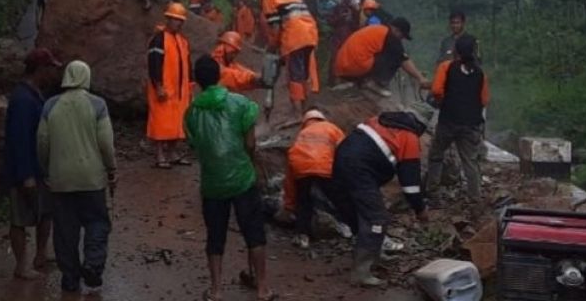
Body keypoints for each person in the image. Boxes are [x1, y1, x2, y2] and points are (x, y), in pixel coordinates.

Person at [183, 56, 275, 301]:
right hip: (242, 178)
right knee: (254, 231)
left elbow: (195, 144)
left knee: (215, 235)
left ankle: (215, 290)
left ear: (197, 82)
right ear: (219, 76)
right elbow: (250, 143)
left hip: (213, 183)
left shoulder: (191, 112)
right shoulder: (240, 103)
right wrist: (250, 162)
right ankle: (263, 288)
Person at [36, 60, 117, 294]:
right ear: (86, 77)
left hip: (60, 181)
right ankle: (92, 264)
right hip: (92, 180)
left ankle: (70, 278)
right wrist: (111, 169)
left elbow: (42, 142)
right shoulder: (97, 105)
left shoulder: (50, 106)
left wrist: (46, 170)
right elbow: (106, 143)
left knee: (65, 231)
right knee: (97, 222)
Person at [331, 111, 429, 287]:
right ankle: (361, 273)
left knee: (358, 213)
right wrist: (420, 209)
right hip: (359, 169)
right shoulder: (409, 137)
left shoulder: (379, 121)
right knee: (376, 219)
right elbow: (410, 184)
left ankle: (373, 252)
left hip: (340, 159)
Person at [3, 48, 62, 280]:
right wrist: (25, 175)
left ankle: (40, 254)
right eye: (50, 69)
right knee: (20, 218)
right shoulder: (22, 99)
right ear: (40, 69)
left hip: (40, 168)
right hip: (25, 170)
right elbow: (19, 140)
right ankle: (21, 265)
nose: (53, 74)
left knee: (45, 213)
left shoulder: (35, 94)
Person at [426, 35, 489, 200]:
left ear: (456, 50)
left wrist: (443, 102)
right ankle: (474, 197)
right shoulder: (480, 73)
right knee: (470, 161)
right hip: (471, 124)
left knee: (436, 154)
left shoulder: (446, 67)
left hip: (448, 121)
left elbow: (437, 91)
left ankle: (432, 191)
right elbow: (484, 100)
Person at [282, 108, 346, 250]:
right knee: (339, 198)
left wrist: (289, 205)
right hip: (325, 167)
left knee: (304, 202)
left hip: (301, 168)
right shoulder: (332, 128)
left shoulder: (302, 134)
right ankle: (350, 225)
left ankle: (303, 235)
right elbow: (345, 151)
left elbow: (289, 177)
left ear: (306, 121)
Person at [259, 0, 320, 120]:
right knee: (305, 76)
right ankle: (307, 111)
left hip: (295, 37)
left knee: (295, 77)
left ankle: (297, 114)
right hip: (310, 34)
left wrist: (272, 47)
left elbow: (275, 27)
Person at [146, 3, 193, 169]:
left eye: (181, 21)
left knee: (178, 123)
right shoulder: (158, 39)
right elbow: (154, 64)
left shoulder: (182, 41)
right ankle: (160, 155)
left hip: (180, 91)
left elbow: (188, 64)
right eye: (175, 20)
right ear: (168, 19)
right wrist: (158, 85)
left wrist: (190, 86)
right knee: (160, 122)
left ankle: (173, 153)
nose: (178, 23)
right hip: (163, 89)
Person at [333, 18, 430, 97]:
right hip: (356, 66)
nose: (401, 39)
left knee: (375, 53)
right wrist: (420, 78)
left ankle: (360, 84)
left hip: (342, 69)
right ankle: (376, 83)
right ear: (396, 30)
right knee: (395, 57)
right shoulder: (389, 36)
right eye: (402, 36)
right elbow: (403, 60)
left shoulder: (378, 30)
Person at [326, 0, 360, 87]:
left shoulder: (354, 11)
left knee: (347, 60)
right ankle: (331, 83)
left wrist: (351, 20)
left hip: (349, 38)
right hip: (337, 37)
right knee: (334, 59)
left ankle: (346, 82)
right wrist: (340, 17)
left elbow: (357, 27)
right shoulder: (337, 8)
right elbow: (330, 21)